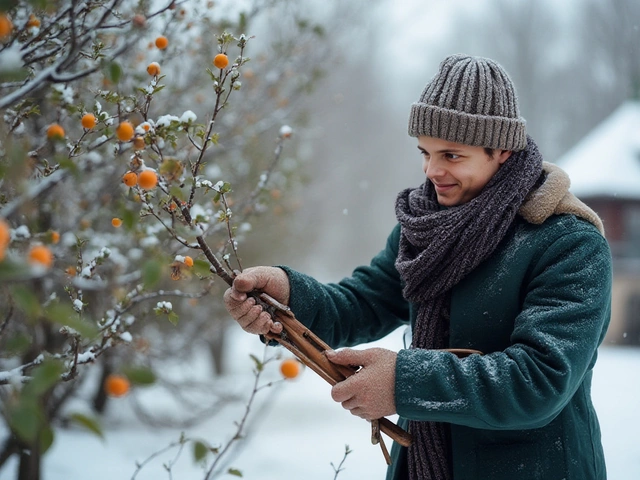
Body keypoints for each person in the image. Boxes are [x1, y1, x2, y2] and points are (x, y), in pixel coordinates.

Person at [223, 54, 612, 480]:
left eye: (451, 155)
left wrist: (404, 382)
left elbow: (539, 380)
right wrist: (289, 294)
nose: (432, 171)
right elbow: (362, 303)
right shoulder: (425, 227)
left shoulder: (569, 244)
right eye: (424, 152)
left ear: (501, 150)